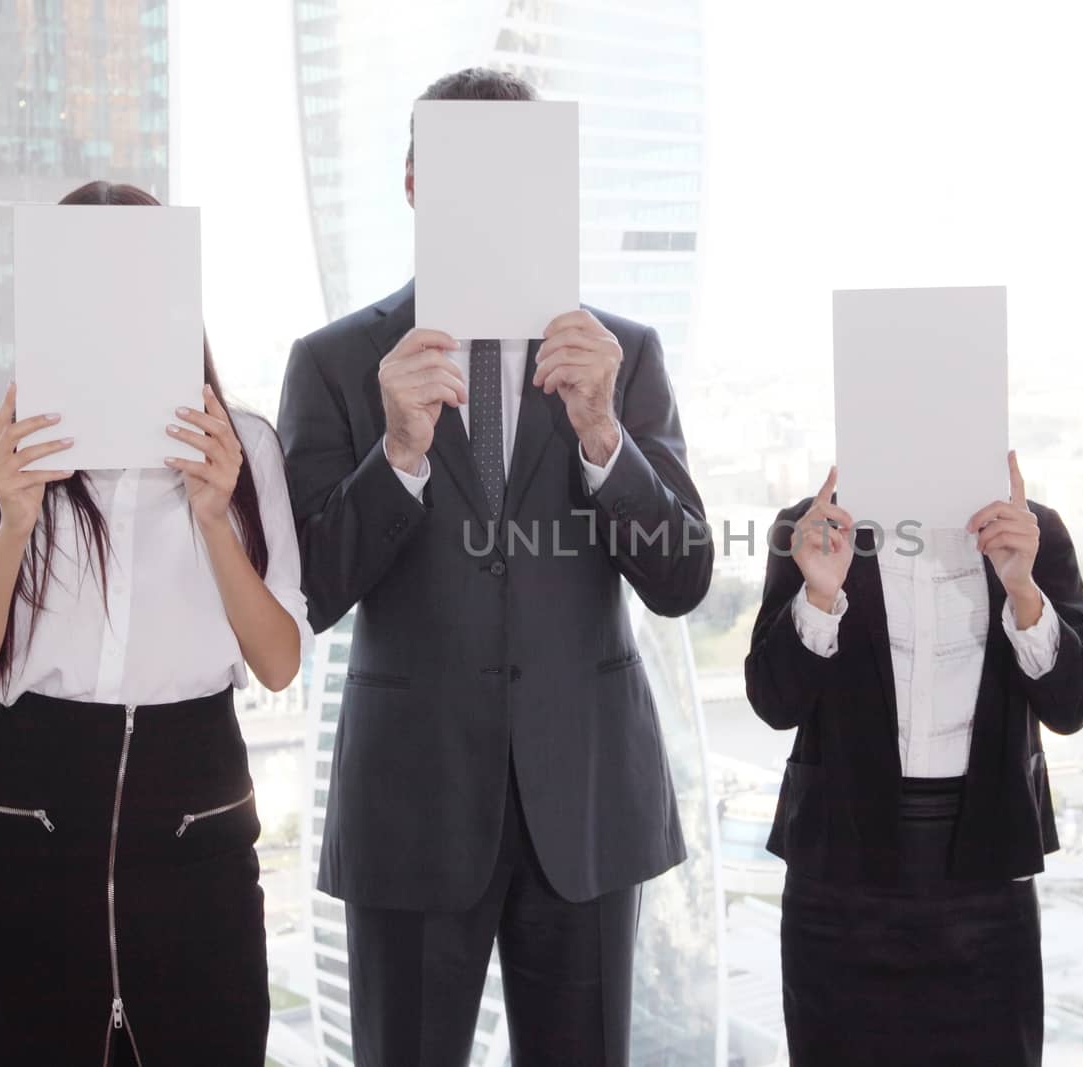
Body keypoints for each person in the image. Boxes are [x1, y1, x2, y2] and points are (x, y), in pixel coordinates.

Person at [277, 67, 712, 1067]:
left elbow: (682, 577)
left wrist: (604, 433)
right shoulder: (338, 362)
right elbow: (309, 590)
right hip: (412, 797)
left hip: (588, 796)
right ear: (413, 182)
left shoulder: (621, 355)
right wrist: (395, 452)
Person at [0, 181, 312, 1066]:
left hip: (196, 832)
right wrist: (15, 518)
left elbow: (279, 663)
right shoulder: (2, 453)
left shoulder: (243, 450)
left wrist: (213, 517)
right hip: (27, 833)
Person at [745, 455, 1083, 1066]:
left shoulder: (1030, 530)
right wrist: (819, 592)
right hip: (838, 875)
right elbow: (775, 703)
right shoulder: (812, 528)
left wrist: (1023, 590)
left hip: (987, 870)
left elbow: (1074, 705)